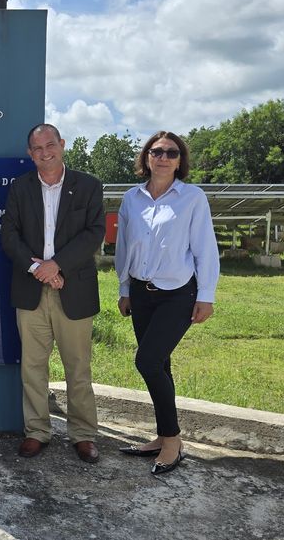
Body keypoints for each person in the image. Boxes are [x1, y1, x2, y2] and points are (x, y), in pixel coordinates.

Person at [114, 131, 219, 475]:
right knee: (161, 364)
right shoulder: (132, 199)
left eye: (171, 153)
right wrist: (124, 288)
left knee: (147, 361)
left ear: (179, 160)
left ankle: (172, 440)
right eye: (156, 151)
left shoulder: (192, 198)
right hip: (140, 293)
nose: (163, 157)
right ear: (146, 157)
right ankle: (162, 436)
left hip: (177, 293)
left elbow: (205, 248)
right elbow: (124, 247)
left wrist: (206, 296)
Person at [0, 123, 105, 463]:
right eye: (37, 148)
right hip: (30, 290)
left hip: (74, 289)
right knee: (32, 367)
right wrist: (39, 269)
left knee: (78, 368)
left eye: (50, 145)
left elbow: (94, 233)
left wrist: (57, 265)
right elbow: (9, 236)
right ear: (30, 154)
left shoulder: (88, 185)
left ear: (62, 144)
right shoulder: (20, 188)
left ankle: (83, 435)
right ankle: (37, 431)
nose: (45, 153)